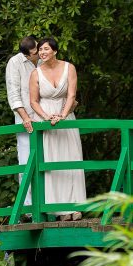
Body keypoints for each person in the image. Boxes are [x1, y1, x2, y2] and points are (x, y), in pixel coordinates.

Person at [28, 37, 86, 220]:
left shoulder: (69, 68)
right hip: (46, 118)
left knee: (72, 158)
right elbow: (33, 101)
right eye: (40, 50)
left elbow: (71, 94)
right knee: (53, 162)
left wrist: (62, 115)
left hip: (65, 116)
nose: (42, 52)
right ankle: (60, 210)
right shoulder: (35, 73)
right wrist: (46, 118)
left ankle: (76, 207)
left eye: (46, 49)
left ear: (55, 51)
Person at [5, 36, 39, 187]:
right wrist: (25, 118)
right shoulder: (15, 63)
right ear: (26, 55)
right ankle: (28, 206)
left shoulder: (44, 58)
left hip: (45, 116)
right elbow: (14, 94)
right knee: (26, 161)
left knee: (49, 161)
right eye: (34, 52)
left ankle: (51, 206)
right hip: (26, 119)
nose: (39, 53)